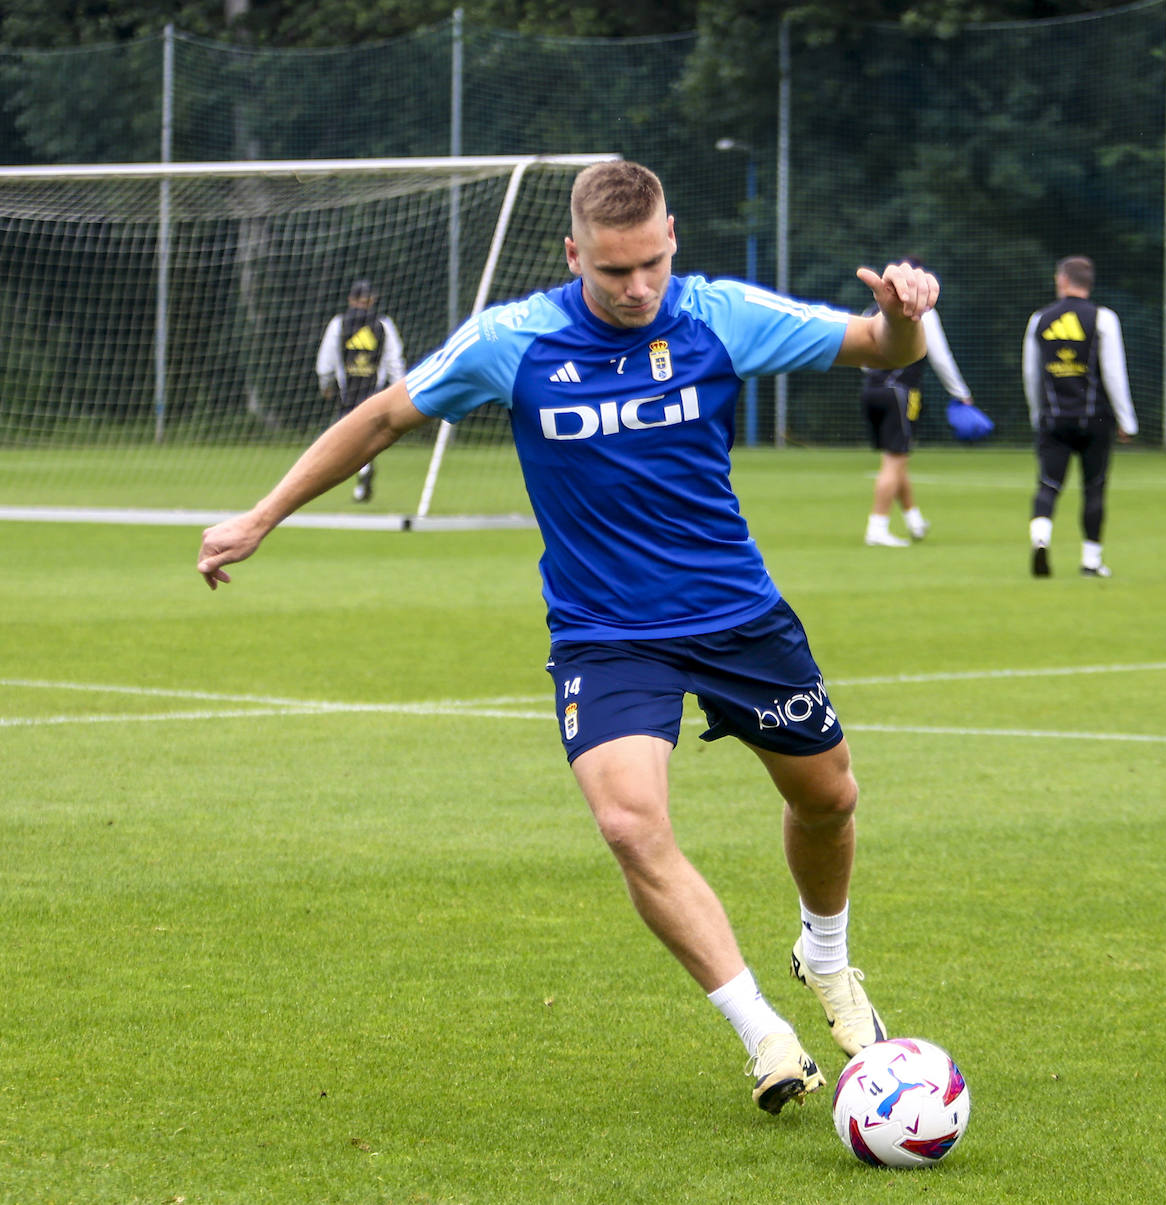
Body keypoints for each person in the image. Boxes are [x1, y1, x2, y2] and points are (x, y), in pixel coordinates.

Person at [198, 161, 938, 1115]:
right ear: (572, 254)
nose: (636, 289)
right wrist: (263, 516)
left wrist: (908, 309)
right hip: (604, 630)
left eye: (650, 266)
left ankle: (826, 958)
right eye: (612, 270)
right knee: (630, 822)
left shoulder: (718, 315)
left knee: (830, 797)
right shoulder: (514, 340)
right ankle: (766, 1032)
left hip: (735, 613)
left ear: (674, 235)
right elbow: (384, 415)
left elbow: (880, 347)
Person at [1022, 255, 1138, 577]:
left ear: (1062, 280)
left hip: (1053, 419)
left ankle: (1041, 538)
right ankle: (1091, 561)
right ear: (1089, 283)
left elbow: (1031, 374)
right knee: (1094, 487)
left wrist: (1037, 414)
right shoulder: (1103, 318)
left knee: (1047, 484)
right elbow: (1114, 374)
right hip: (1095, 419)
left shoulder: (1039, 319)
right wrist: (1127, 421)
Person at [860, 259, 974, 546]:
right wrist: (959, 392)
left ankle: (914, 520)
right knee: (895, 460)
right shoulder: (921, 310)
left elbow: (861, 357)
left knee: (896, 459)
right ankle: (877, 527)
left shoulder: (873, 308)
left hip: (870, 390)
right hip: (900, 393)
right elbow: (939, 355)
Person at [314, 278, 406, 502]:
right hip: (375, 395)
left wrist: (325, 383)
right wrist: (400, 390)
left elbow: (326, 361)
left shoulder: (339, 323)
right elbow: (395, 361)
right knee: (365, 440)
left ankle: (358, 477)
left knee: (344, 441)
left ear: (350, 299)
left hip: (347, 395)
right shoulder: (384, 324)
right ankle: (363, 475)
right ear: (372, 300)